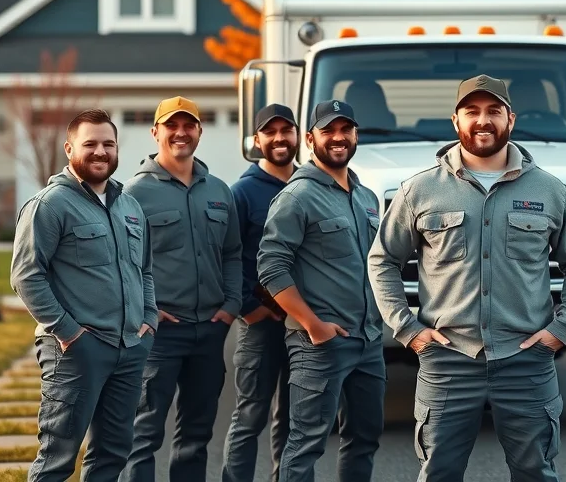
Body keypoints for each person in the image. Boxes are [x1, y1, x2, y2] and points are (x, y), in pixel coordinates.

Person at [368, 74, 566, 482]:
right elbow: (382, 259)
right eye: (472, 111)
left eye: (493, 111)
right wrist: (408, 329)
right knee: (439, 472)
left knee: (536, 473)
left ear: (511, 118)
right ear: (456, 121)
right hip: (446, 361)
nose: (483, 120)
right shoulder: (418, 191)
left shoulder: (550, 190)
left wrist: (563, 327)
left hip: (526, 360)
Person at [10, 109, 157, 482]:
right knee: (58, 458)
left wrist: (148, 320)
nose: (100, 151)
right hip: (75, 353)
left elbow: (145, 271)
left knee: (112, 454)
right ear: (69, 148)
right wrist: (70, 333)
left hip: (128, 350)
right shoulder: (50, 204)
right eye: (89, 144)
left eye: (108, 143)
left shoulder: (129, 206)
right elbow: (26, 275)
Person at [256, 99, 385, 482]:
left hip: (369, 340)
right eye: (328, 131)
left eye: (346, 129)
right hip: (320, 345)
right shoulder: (297, 196)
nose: (339, 137)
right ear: (310, 139)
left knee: (364, 438)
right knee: (306, 443)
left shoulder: (366, 197)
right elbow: (271, 267)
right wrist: (312, 325)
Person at [120, 96, 243, 482]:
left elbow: (233, 253)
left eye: (189, 125)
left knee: (196, 433)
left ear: (199, 132)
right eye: (171, 125)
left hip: (209, 330)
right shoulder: (132, 195)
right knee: (142, 433)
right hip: (158, 334)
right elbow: (120, 263)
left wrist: (232, 304)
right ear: (156, 132)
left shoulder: (220, 191)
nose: (180, 132)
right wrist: (146, 310)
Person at [221, 104, 299, 482]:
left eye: (287, 130)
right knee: (250, 415)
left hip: (304, 324)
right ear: (257, 140)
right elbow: (228, 256)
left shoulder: (309, 184)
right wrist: (248, 309)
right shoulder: (243, 192)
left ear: (299, 136)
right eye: (271, 131)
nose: (280, 138)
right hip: (261, 325)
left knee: (294, 417)